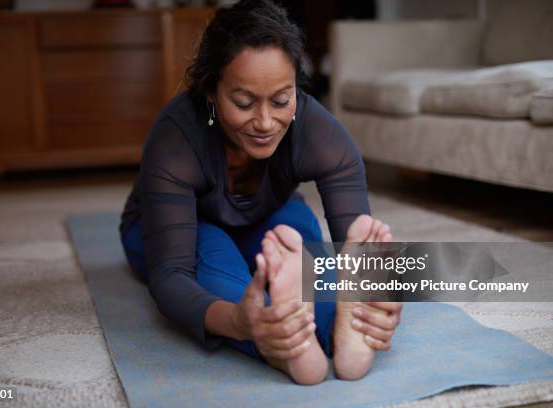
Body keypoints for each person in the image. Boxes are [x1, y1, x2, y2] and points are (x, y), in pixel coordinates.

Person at [120, 0, 403, 385]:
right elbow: (171, 276)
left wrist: (376, 309)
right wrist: (239, 323)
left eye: (282, 100)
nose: (266, 122)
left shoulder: (323, 136)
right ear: (210, 93)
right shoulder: (175, 139)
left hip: (267, 215)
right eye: (244, 102)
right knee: (213, 253)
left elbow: (359, 243)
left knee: (296, 237)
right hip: (180, 228)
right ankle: (284, 343)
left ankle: (344, 327)